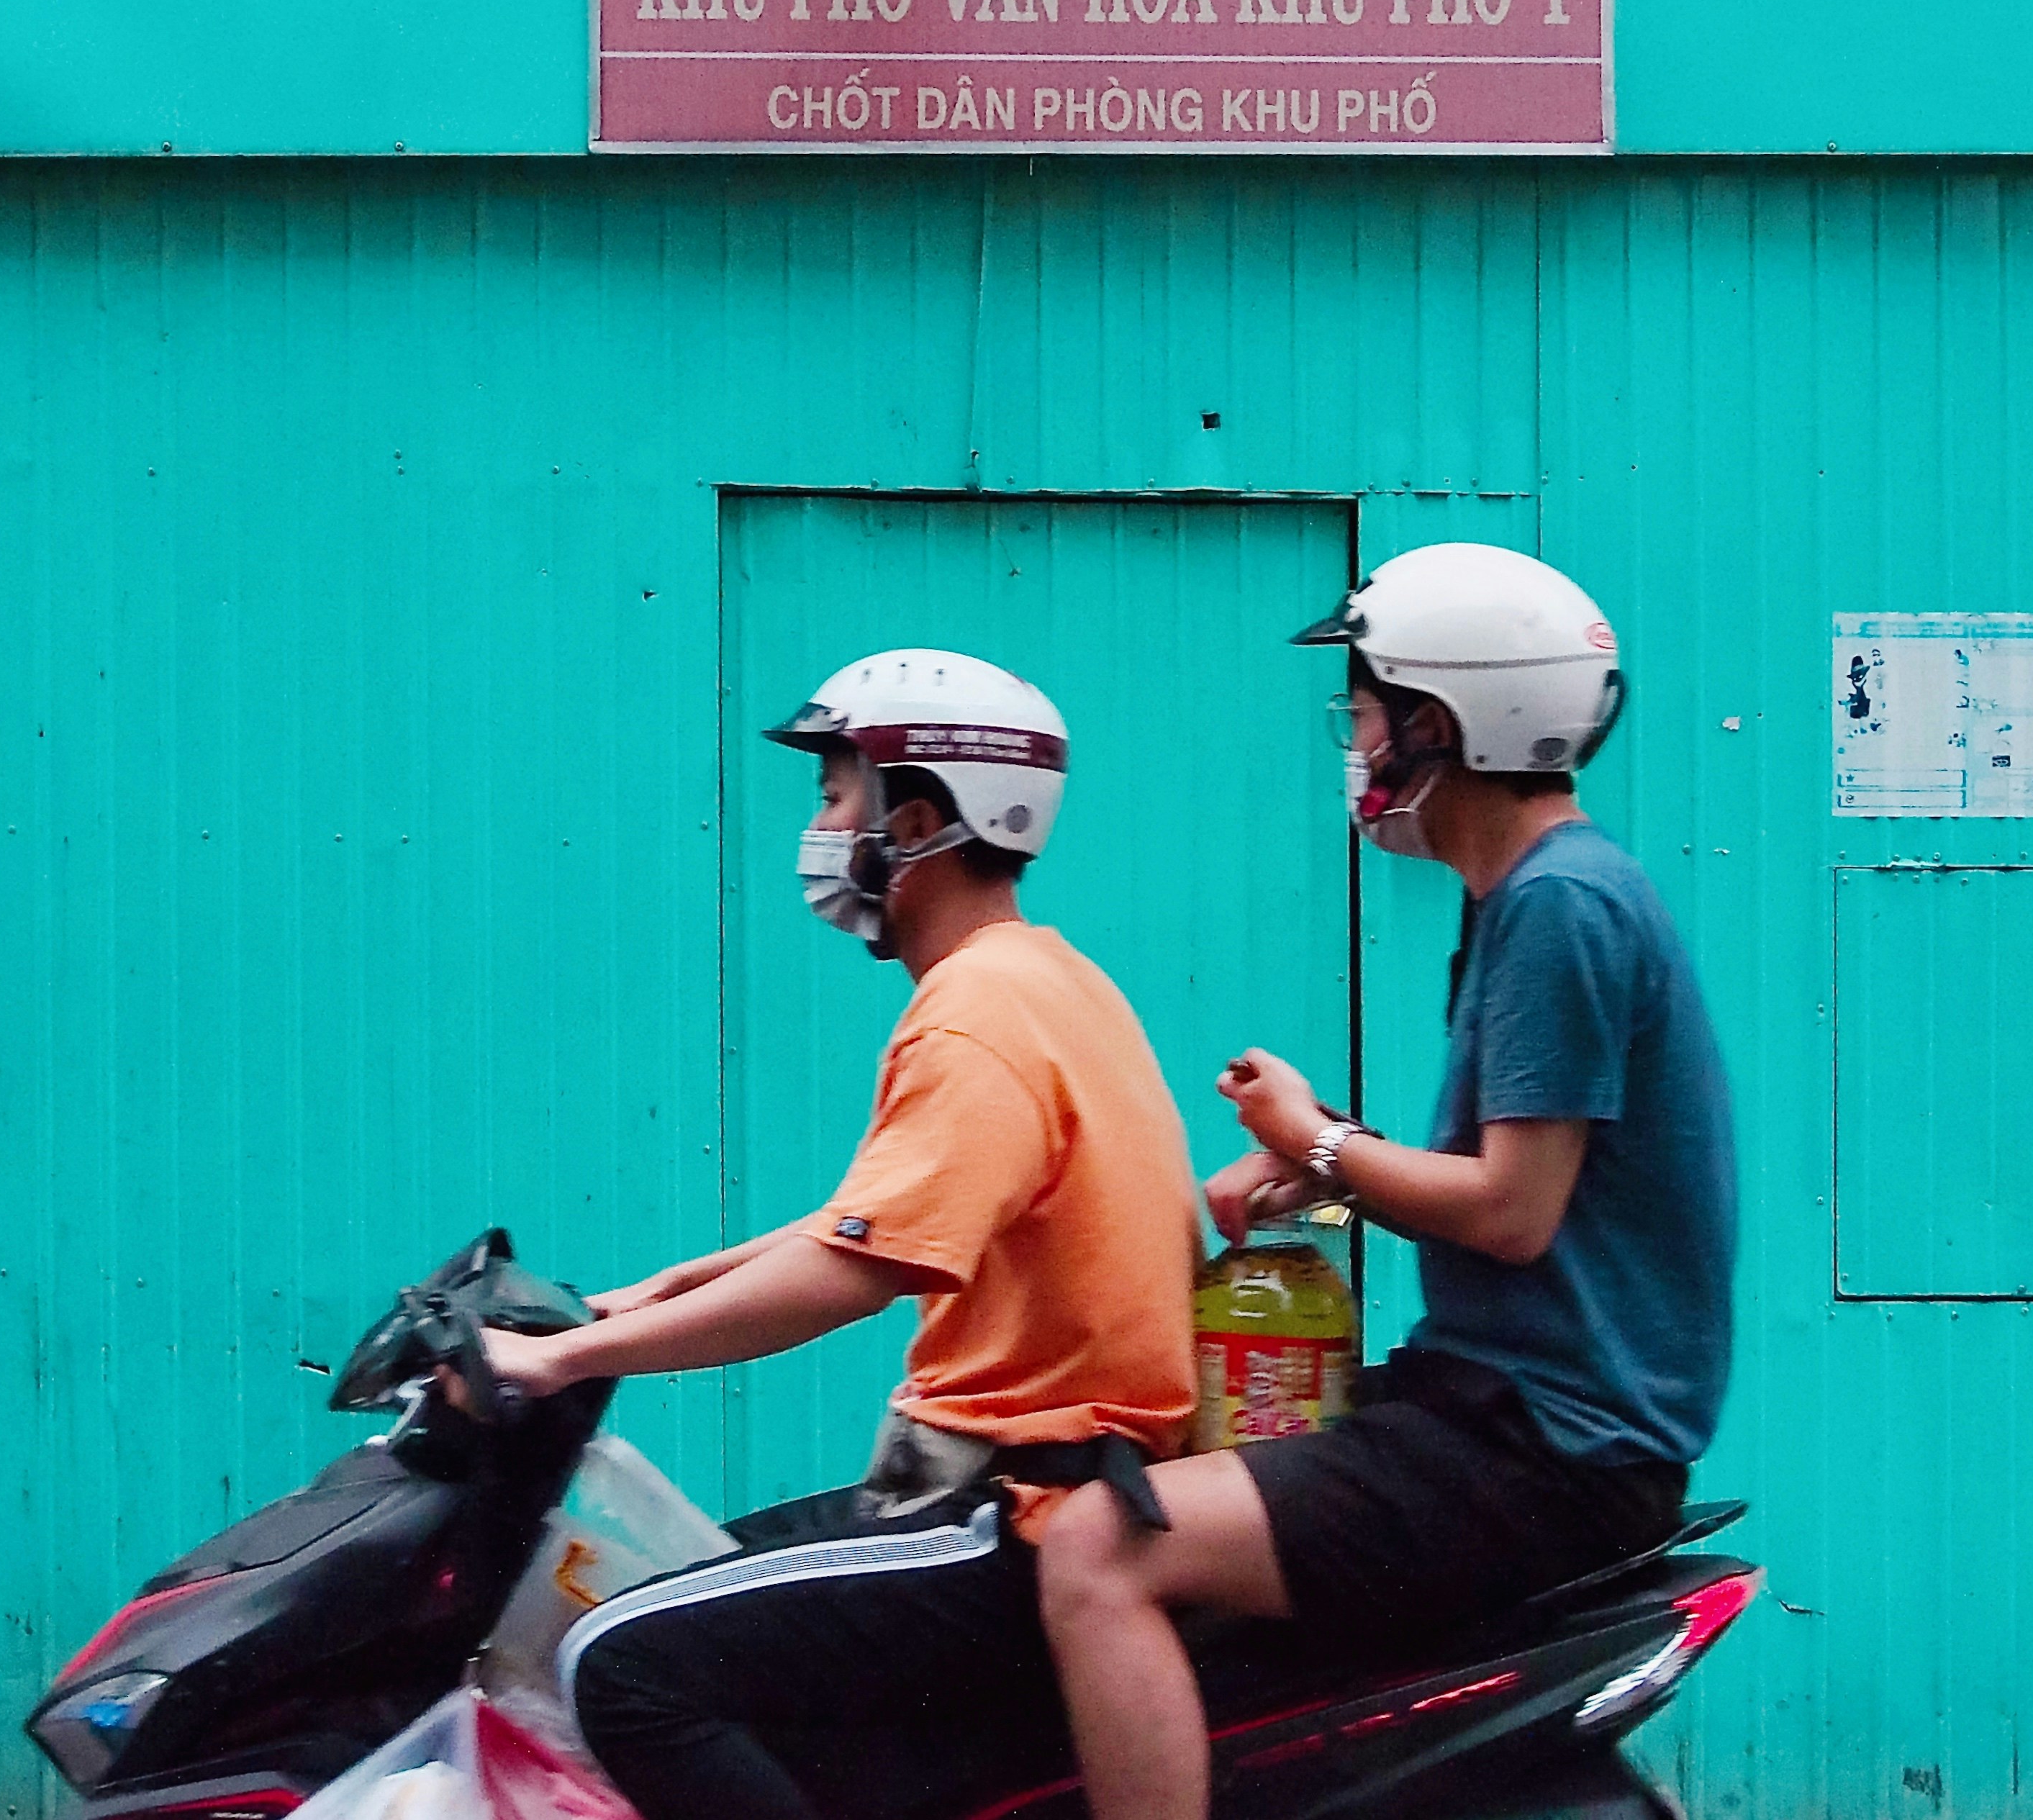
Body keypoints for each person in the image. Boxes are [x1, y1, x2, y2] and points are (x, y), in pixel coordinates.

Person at [1033, 543, 1738, 1820]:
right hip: (1511, 1418)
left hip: (1541, 1445)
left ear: (1439, 722)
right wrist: (1324, 1189)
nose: (1354, 746)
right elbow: (1521, 1207)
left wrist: (1311, 1139)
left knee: (1097, 1551)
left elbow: (1511, 1218)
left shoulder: (1561, 906)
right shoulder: (1535, 897)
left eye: (1363, 715)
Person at [469, 649, 1200, 1820]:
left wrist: (561, 1358)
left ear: (912, 824)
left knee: (625, 1661)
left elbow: (852, 1274)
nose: (818, 830)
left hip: (1020, 1514)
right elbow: (880, 1218)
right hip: (999, 1491)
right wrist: (657, 1291)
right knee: (679, 1585)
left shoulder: (974, 1018)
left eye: (832, 797)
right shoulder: (1043, 980)